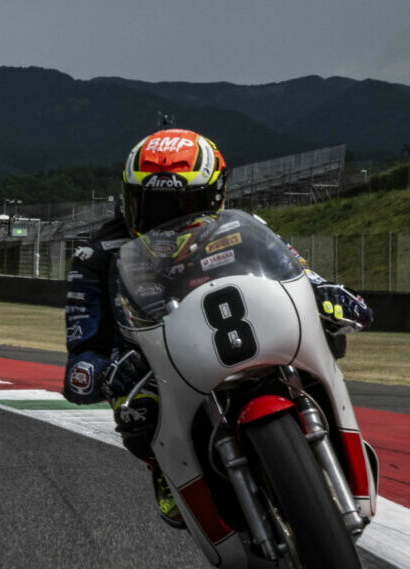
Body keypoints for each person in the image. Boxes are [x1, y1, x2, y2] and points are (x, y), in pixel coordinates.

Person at [60, 129, 372, 527]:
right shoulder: (96, 254)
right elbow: (82, 349)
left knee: (325, 336)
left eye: (186, 204)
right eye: (153, 207)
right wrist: (97, 373)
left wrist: (325, 291)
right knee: (135, 407)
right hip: (154, 357)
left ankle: (328, 437)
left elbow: (297, 273)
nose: (170, 220)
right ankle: (165, 468)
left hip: (250, 333)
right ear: (128, 201)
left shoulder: (243, 226)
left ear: (216, 197)